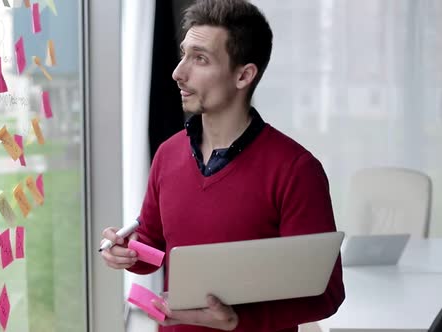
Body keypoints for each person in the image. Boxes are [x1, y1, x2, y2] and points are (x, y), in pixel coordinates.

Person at [101, 0, 345, 331]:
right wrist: (127, 251)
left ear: (244, 75)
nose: (178, 72)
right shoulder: (167, 154)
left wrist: (239, 319)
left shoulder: (297, 170)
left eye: (200, 59)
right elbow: (154, 244)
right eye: (184, 54)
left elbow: (327, 294)